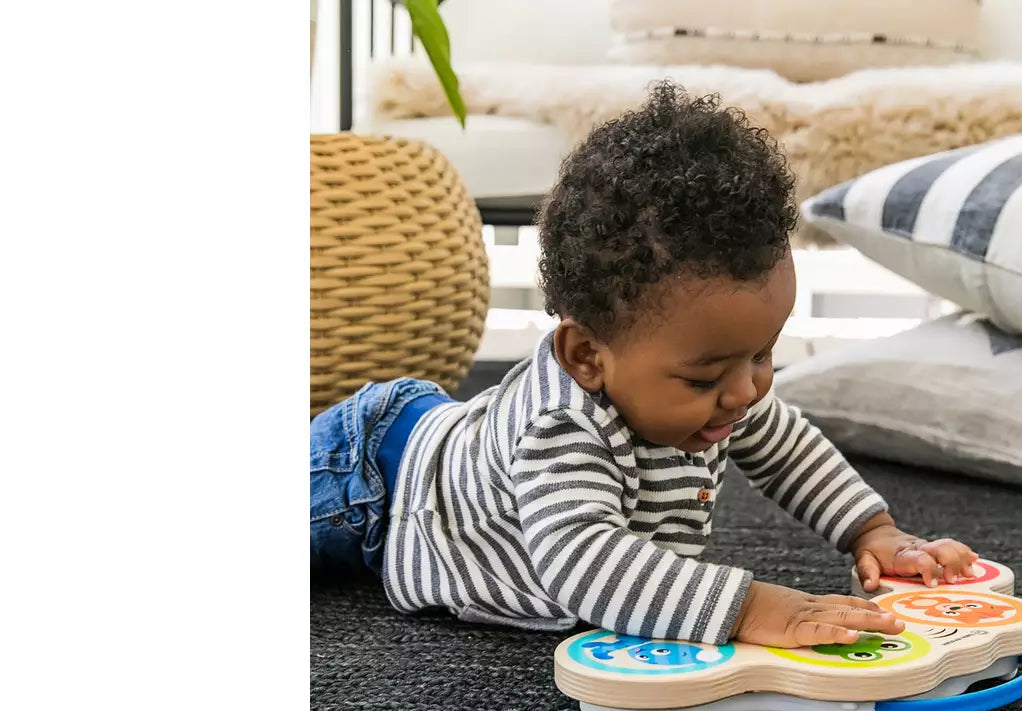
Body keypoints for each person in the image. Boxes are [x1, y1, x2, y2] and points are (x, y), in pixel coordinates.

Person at [310, 82, 980, 648]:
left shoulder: (723, 386)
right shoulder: (560, 429)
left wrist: (874, 530)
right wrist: (753, 609)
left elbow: (787, 447)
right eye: (705, 377)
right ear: (586, 357)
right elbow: (584, 564)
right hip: (374, 480)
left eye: (764, 354)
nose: (746, 391)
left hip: (435, 440)